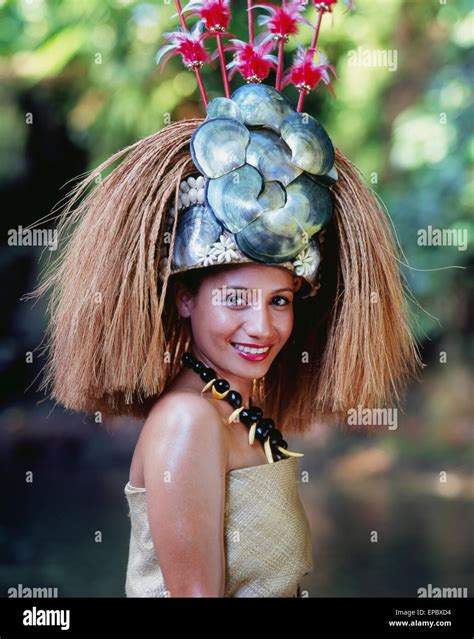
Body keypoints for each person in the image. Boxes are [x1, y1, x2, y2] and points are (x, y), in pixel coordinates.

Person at [30, 0, 422, 597]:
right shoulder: (189, 421)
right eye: (235, 298)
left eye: (280, 301)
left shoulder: (241, 416)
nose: (260, 326)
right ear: (185, 298)